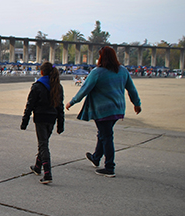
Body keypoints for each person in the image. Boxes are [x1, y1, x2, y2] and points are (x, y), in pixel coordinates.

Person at [66, 46, 142, 178]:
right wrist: (137, 104)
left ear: (101, 57)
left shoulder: (97, 72)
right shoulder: (123, 71)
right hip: (118, 109)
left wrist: (72, 102)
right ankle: (96, 157)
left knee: (107, 136)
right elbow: (132, 89)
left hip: (102, 110)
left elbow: (85, 89)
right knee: (103, 133)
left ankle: (109, 167)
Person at [20, 62, 64, 184]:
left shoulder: (37, 86)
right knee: (44, 143)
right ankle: (37, 166)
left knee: (43, 145)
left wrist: (25, 121)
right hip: (52, 119)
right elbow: (60, 107)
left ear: (41, 72)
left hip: (40, 118)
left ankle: (48, 173)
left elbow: (30, 105)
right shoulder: (57, 86)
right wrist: (61, 124)